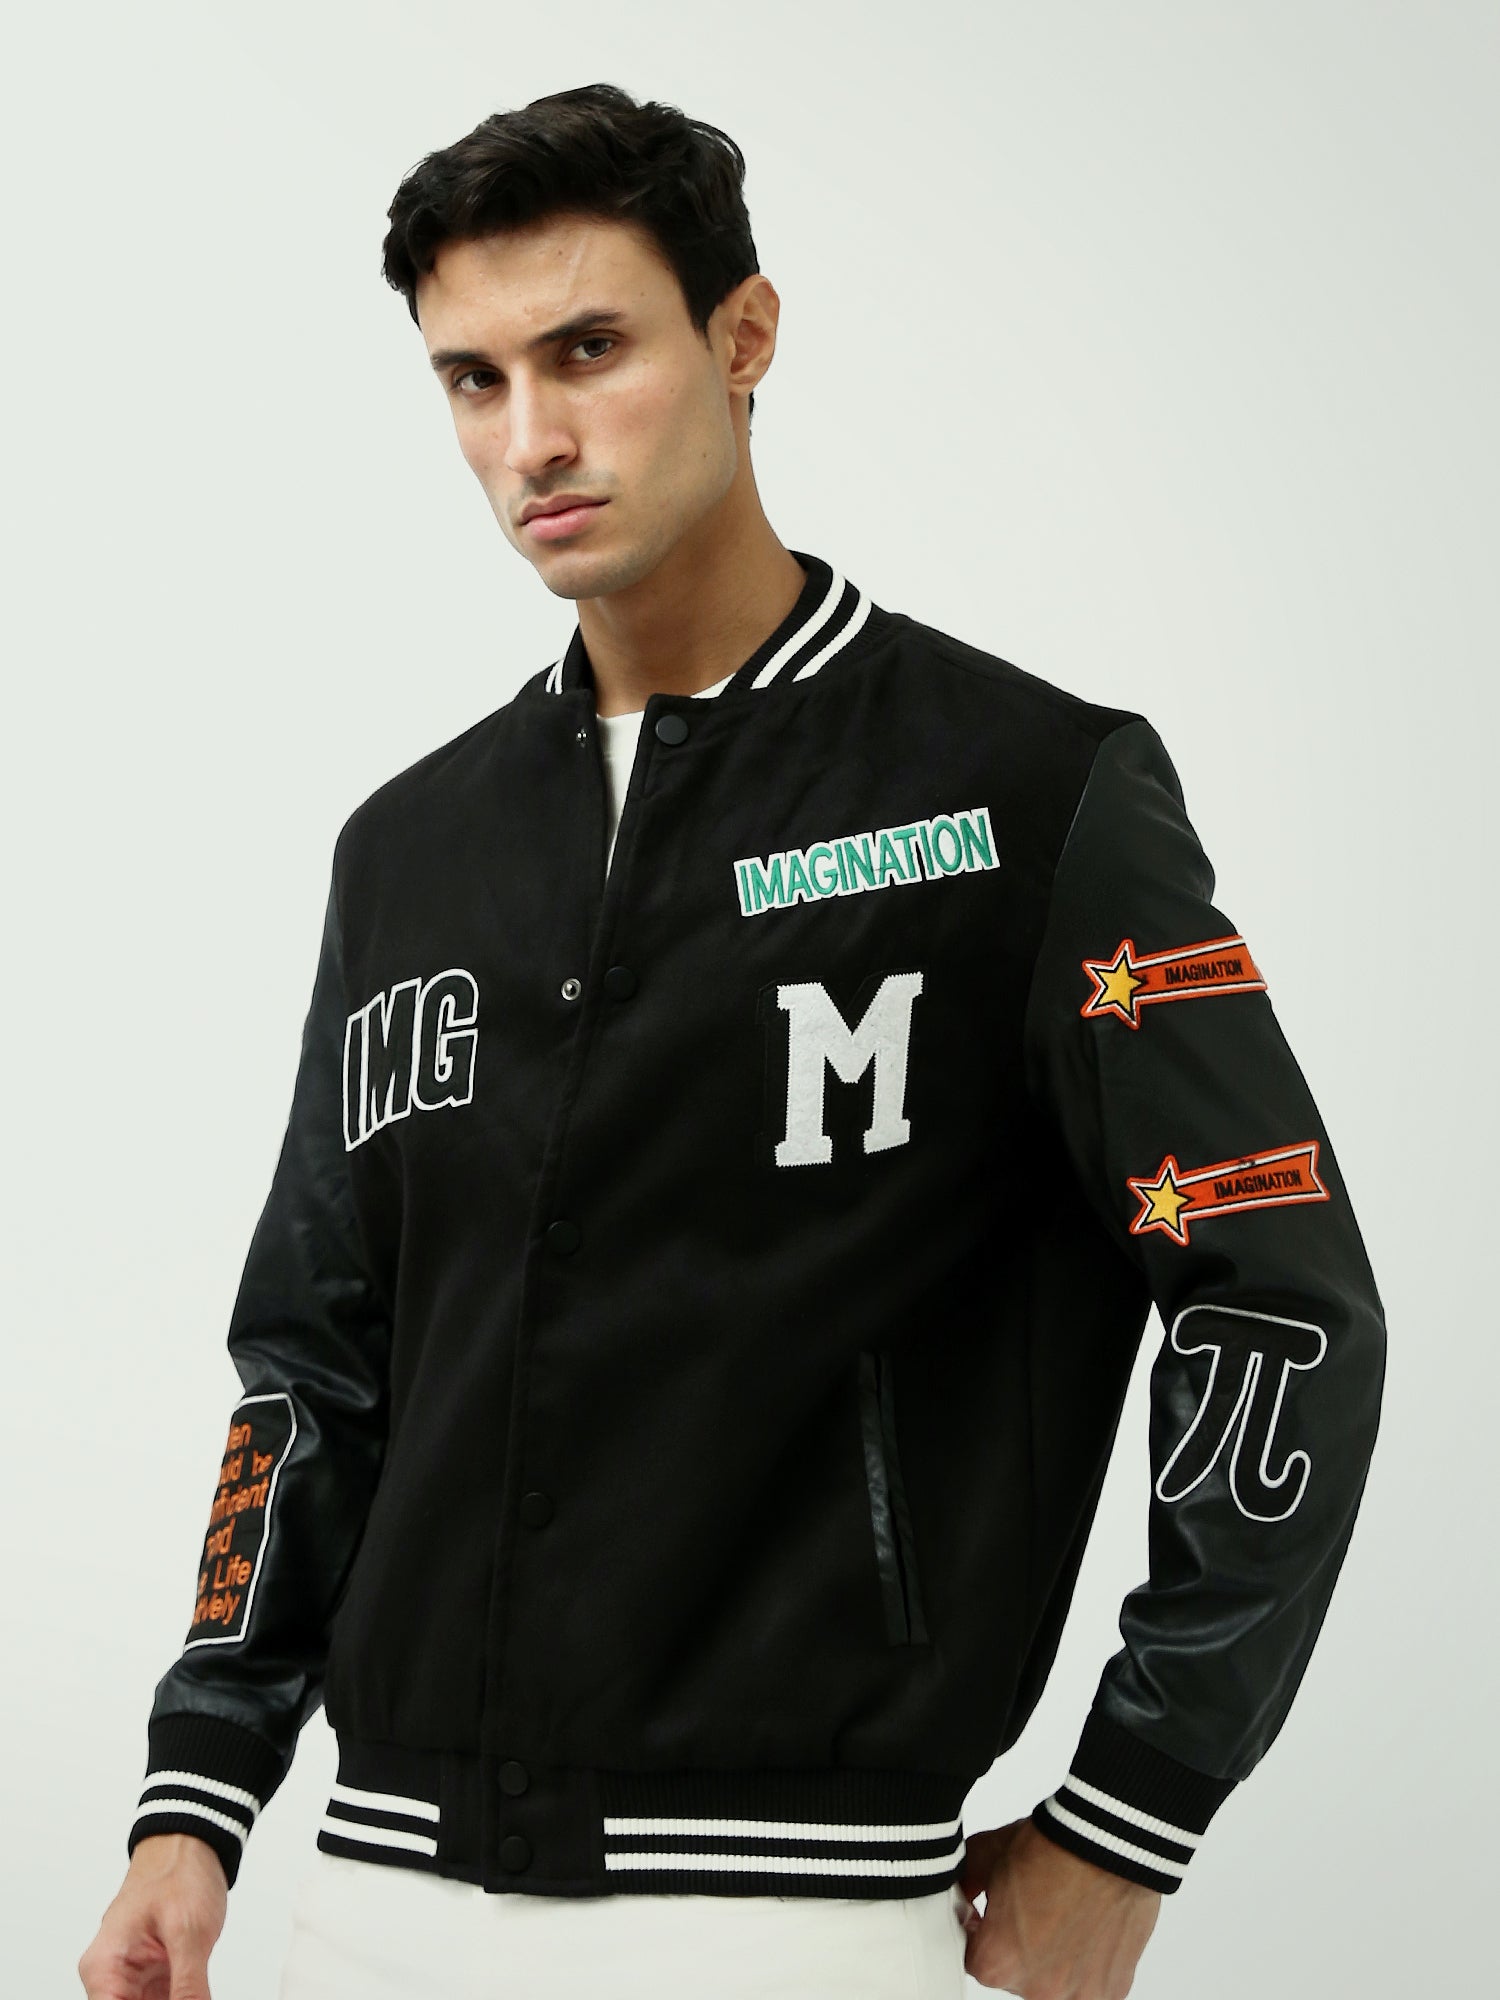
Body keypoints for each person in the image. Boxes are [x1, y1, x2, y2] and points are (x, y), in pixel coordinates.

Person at [79, 82, 1386, 2000]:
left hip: (792, 1920)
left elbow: (1280, 1298)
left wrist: (1133, 1816)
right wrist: (195, 1802)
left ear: (744, 335)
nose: (530, 439)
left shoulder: (1030, 800)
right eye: (471, 381)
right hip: (365, 1904)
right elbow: (315, 1363)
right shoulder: (411, 853)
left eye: (587, 351)